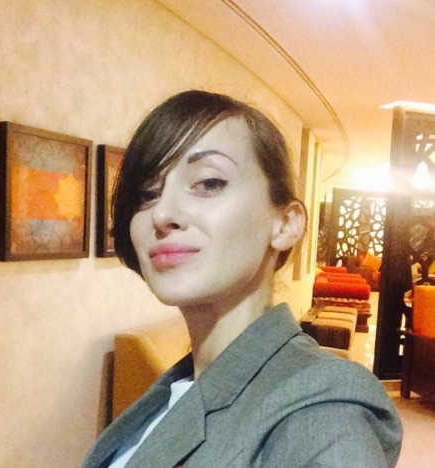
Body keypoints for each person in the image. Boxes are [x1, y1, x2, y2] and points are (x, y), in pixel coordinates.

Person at [81, 90, 402, 468]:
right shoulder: (174, 389)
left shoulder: (324, 410)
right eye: (146, 194)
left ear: (285, 223)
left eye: (208, 183)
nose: (162, 214)